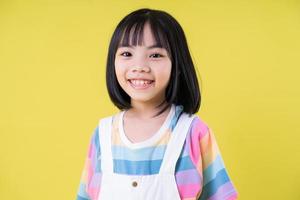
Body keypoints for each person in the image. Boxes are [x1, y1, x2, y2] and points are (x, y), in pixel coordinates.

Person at [76, 8, 238, 200]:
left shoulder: (193, 133)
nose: (140, 66)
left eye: (155, 55)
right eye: (127, 53)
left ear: (177, 65)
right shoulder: (102, 135)